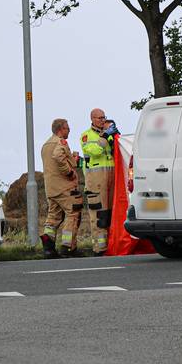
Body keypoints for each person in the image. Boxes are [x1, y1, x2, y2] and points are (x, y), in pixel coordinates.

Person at [41, 118, 82, 258]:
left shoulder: (46, 144)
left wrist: (72, 160)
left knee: (53, 217)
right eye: (67, 128)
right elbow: (58, 157)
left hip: (51, 188)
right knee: (73, 213)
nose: (69, 130)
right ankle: (68, 247)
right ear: (61, 129)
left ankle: (48, 247)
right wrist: (69, 172)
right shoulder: (60, 142)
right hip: (64, 187)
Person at [79, 108, 116, 255]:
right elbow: (95, 151)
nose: (102, 120)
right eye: (99, 118)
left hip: (111, 177)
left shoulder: (108, 134)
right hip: (96, 180)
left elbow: (115, 150)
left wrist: (114, 134)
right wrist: (105, 136)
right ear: (92, 119)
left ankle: (112, 245)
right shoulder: (86, 136)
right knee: (99, 215)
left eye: (104, 117)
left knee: (111, 213)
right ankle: (99, 248)